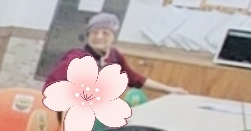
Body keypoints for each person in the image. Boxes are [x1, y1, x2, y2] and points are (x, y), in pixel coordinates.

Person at [43, 12, 185, 95]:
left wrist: (169, 89)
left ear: (113, 37)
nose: (99, 37)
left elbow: (135, 79)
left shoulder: (114, 56)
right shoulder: (77, 58)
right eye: (94, 32)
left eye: (105, 33)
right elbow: (50, 87)